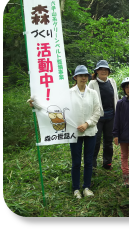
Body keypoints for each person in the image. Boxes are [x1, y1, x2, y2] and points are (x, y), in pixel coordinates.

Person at [28, 65, 101, 199]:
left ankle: (86, 187)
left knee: (89, 161)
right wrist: (36, 105)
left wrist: (87, 123)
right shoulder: (69, 93)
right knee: (76, 161)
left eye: (85, 76)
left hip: (90, 131)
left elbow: (97, 111)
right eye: (80, 76)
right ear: (75, 77)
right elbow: (55, 107)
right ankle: (76, 189)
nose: (83, 78)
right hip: (74, 133)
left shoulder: (93, 93)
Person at [88, 60, 119, 170]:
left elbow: (116, 98)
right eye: (101, 69)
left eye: (105, 69)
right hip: (97, 117)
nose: (103, 71)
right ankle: (92, 165)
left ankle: (107, 163)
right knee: (95, 141)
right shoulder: (92, 84)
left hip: (111, 116)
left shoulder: (112, 82)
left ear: (108, 72)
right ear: (97, 71)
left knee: (108, 141)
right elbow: (88, 100)